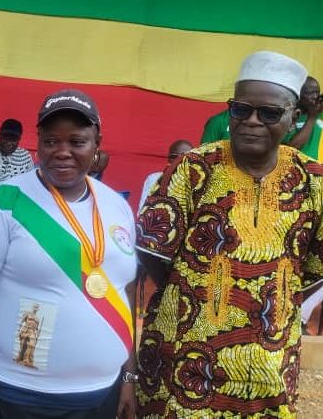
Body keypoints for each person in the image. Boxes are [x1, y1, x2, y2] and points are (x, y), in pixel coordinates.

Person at [136, 51, 323, 417]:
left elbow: (314, 268)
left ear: (293, 118)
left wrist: (272, 298)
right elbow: (154, 253)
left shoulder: (313, 181)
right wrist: (201, 292)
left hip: (270, 365)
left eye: (268, 113)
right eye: (241, 109)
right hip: (185, 368)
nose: (251, 121)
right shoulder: (192, 169)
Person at [0, 89, 137, 419]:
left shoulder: (116, 205)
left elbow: (127, 293)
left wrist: (129, 376)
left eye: (76, 142)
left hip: (102, 393)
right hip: (19, 395)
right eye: (51, 141)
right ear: (38, 143)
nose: (63, 152)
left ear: (97, 144)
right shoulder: (3, 202)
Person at [137, 140, 193, 210]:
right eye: (174, 157)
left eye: (186, 158)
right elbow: (143, 213)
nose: (180, 161)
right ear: (169, 159)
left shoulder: (199, 185)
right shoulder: (154, 179)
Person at [285, 76, 323, 159]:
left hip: (313, 167)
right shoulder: (289, 116)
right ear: (297, 94)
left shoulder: (319, 110)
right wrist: (312, 117)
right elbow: (291, 149)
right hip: (294, 166)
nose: (315, 96)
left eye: (317, 92)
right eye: (309, 93)